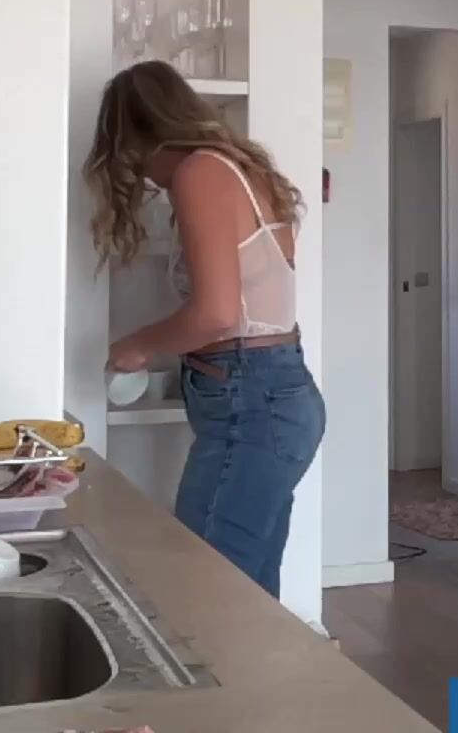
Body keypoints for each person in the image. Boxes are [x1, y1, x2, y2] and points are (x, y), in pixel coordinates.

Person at [84, 60, 326, 597]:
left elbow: (217, 314)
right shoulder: (238, 170)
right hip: (271, 396)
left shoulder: (201, 173)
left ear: (137, 136)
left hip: (252, 403)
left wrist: (138, 346)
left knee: (207, 595)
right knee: (247, 596)